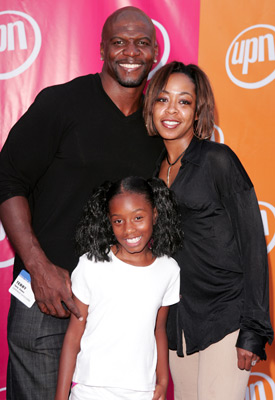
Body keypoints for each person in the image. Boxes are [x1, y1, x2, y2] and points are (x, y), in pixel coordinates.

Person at [0, 6, 163, 399]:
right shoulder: (61, 103)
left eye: (142, 43)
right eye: (119, 42)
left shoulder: (157, 124)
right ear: (102, 49)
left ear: (155, 53)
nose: (131, 52)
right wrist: (39, 269)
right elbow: (8, 179)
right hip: (48, 302)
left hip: (117, 312)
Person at [143, 61, 274, 400]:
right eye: (163, 99)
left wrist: (253, 330)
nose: (172, 110)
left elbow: (253, 246)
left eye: (184, 101)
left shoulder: (219, 160)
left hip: (226, 318)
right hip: (178, 327)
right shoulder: (150, 171)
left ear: (198, 111)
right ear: (151, 105)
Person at [54, 176, 182, 400]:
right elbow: (74, 336)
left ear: (155, 214)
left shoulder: (168, 270)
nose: (129, 230)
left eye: (138, 218)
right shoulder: (91, 264)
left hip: (142, 392)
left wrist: (162, 381)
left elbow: (159, 329)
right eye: (118, 221)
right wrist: (60, 397)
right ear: (108, 222)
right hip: (90, 390)